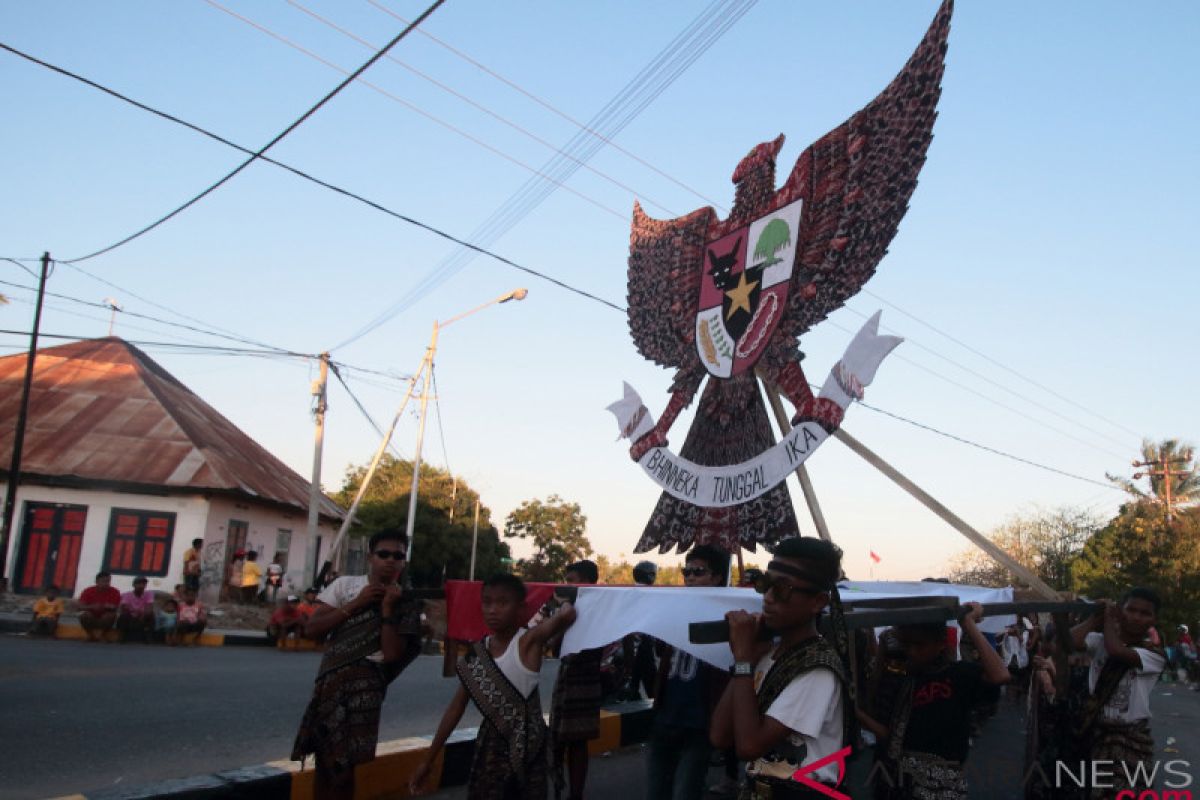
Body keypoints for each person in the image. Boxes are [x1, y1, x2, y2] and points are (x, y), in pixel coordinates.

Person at [710, 537, 854, 800]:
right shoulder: (768, 653)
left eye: (783, 588)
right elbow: (720, 736)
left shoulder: (817, 668)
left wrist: (743, 660)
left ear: (818, 602)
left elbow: (748, 746)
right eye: (765, 584)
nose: (768, 597)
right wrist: (747, 661)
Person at [411, 573, 578, 799]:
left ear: (521, 608)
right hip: (491, 750)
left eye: (502, 603)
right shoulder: (478, 654)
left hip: (528, 748)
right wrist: (428, 760)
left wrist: (561, 600)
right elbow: (456, 708)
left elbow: (568, 614)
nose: (492, 610)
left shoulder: (527, 642)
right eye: (487, 602)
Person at [291, 529, 422, 800]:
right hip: (331, 683)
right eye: (383, 554)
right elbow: (313, 628)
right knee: (325, 762)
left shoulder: (405, 601)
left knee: (344, 768)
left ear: (403, 562)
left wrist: (387, 611)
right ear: (370, 557)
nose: (390, 560)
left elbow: (393, 654)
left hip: (365, 689)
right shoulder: (345, 586)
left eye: (398, 556)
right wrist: (358, 602)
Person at [857, 605, 1008, 799]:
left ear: (940, 643)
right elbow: (889, 735)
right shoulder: (905, 682)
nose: (911, 651)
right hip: (902, 783)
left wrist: (968, 623)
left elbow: (1000, 675)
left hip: (942, 786)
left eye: (919, 645)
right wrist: (857, 713)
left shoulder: (958, 675)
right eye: (907, 645)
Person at [648, 545, 731, 800]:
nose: (690, 577)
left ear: (717, 578)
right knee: (656, 792)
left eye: (699, 571)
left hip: (700, 722)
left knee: (686, 792)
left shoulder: (727, 616)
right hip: (666, 716)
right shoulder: (676, 608)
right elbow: (661, 649)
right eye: (687, 571)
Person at [1069, 589, 1166, 799]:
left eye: (1144, 613)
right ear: (1121, 611)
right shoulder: (1098, 640)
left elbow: (1117, 651)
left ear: (1153, 619)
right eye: (1130, 610)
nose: (1136, 617)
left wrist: (1108, 618)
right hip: (1095, 733)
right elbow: (1070, 643)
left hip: (1130, 739)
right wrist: (1095, 619)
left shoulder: (1153, 654)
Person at [550, 560, 602, 800]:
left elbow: (553, 644)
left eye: (572, 580)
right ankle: (569, 792)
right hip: (574, 676)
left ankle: (574, 794)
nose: (567, 585)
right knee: (567, 740)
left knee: (576, 742)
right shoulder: (578, 607)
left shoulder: (586, 608)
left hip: (582, 677)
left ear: (587, 582)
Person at [623, 559, 659, 700]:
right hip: (641, 641)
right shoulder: (649, 593)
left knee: (634, 682)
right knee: (650, 683)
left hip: (632, 641)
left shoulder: (629, 592)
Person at [79, 571, 121, 641]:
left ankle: (102, 635)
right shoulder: (88, 591)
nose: (106, 583)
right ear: (96, 581)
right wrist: (91, 607)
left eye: (108, 581)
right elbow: (80, 607)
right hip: (92, 615)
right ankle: (90, 634)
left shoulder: (115, 591)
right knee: (84, 615)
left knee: (111, 616)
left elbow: (118, 608)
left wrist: (112, 607)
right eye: (103, 581)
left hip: (105, 616)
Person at [116, 576, 156, 643]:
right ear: (134, 585)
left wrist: (143, 614)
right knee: (124, 615)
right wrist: (134, 613)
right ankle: (122, 636)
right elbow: (124, 608)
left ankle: (149, 636)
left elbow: (149, 606)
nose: (141, 586)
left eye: (143, 584)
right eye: (139, 584)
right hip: (130, 616)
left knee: (151, 614)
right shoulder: (126, 594)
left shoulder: (149, 594)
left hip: (143, 616)